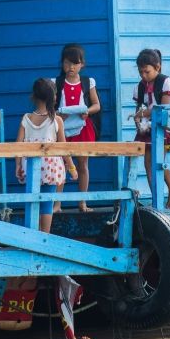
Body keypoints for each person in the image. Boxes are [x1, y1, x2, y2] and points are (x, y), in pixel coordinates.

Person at [15, 78, 78, 233]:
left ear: (34, 97)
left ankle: (32, 234)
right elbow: (63, 148)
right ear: (53, 97)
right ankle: (45, 235)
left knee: (32, 202)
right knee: (47, 203)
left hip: (29, 166)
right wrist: (72, 168)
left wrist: (17, 165)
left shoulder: (26, 118)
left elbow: (18, 145)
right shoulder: (56, 120)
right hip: (51, 167)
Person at [54, 43, 101, 213]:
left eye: (75, 63)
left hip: (83, 127)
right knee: (61, 165)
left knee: (83, 164)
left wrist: (87, 111)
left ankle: (82, 202)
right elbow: (50, 108)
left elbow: (97, 105)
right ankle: (57, 204)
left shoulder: (88, 82)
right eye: (67, 63)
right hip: (62, 129)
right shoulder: (57, 83)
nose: (71, 67)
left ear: (82, 64)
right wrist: (58, 115)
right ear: (62, 64)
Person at [133, 48, 170, 208]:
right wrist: (138, 122)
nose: (144, 76)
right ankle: (156, 198)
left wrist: (142, 113)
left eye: (147, 72)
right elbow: (137, 110)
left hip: (162, 127)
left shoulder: (166, 82)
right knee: (148, 163)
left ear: (157, 67)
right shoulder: (140, 87)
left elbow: (163, 108)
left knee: (158, 161)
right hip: (146, 128)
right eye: (140, 72)